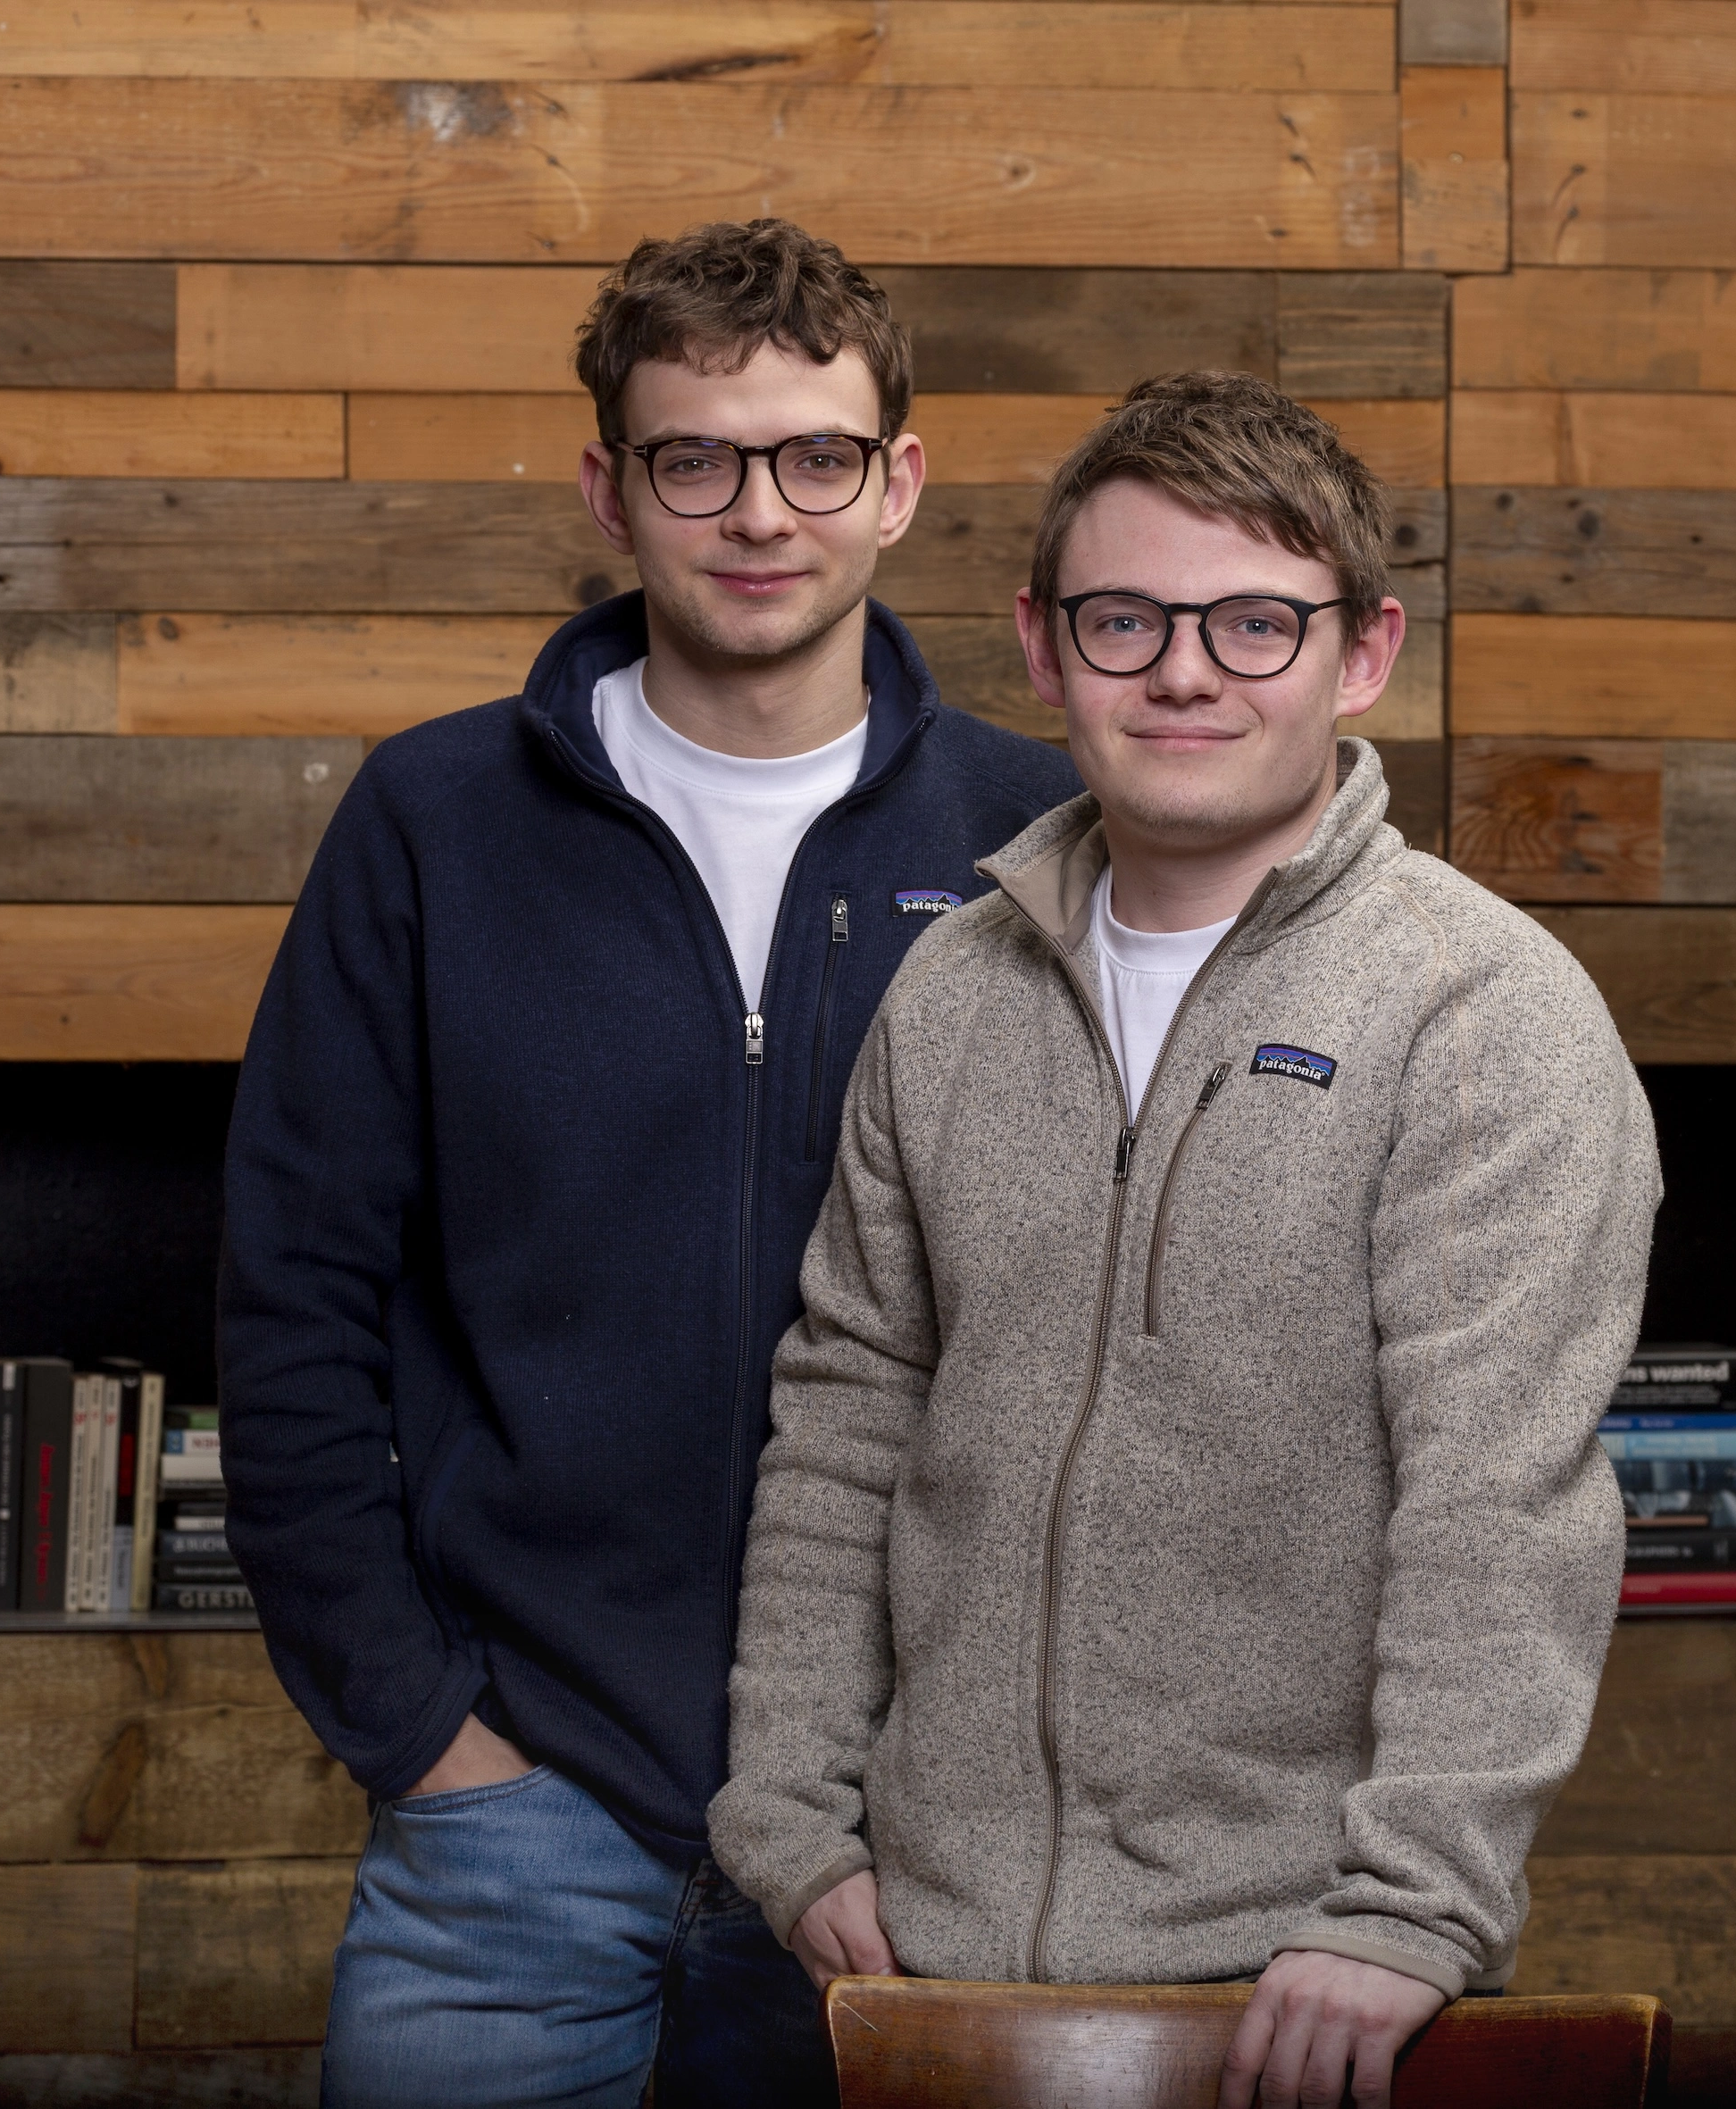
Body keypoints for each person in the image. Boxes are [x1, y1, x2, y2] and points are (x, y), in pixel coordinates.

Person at [710, 371, 1660, 2108]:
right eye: (1128, 616)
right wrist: (786, 1815)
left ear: (1360, 651)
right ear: (1046, 645)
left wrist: (1406, 1907)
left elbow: (1498, 1503)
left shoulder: (1482, 1014)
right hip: (916, 1961)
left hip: (1302, 1984)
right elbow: (845, 1416)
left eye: (1254, 622)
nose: (1186, 669)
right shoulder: (952, 990)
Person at [218, 220, 1080, 2107]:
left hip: (914, 1831)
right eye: (697, 457)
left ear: (898, 483)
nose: (757, 514)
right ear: (610, 485)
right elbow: (290, 1305)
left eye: (813, 458)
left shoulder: (1043, 842)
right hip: (515, 1822)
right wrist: (426, 1733)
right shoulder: (432, 819)